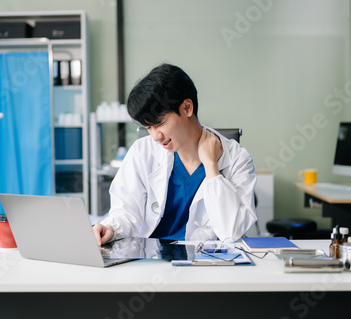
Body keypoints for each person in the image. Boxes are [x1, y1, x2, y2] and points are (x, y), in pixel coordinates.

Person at [93, 63, 257, 245]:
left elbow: (231, 232)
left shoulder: (237, 159)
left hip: (205, 264)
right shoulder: (142, 152)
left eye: (159, 123)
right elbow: (126, 212)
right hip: (149, 260)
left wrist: (212, 168)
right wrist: (111, 228)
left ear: (187, 107)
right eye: (149, 127)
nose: (155, 136)